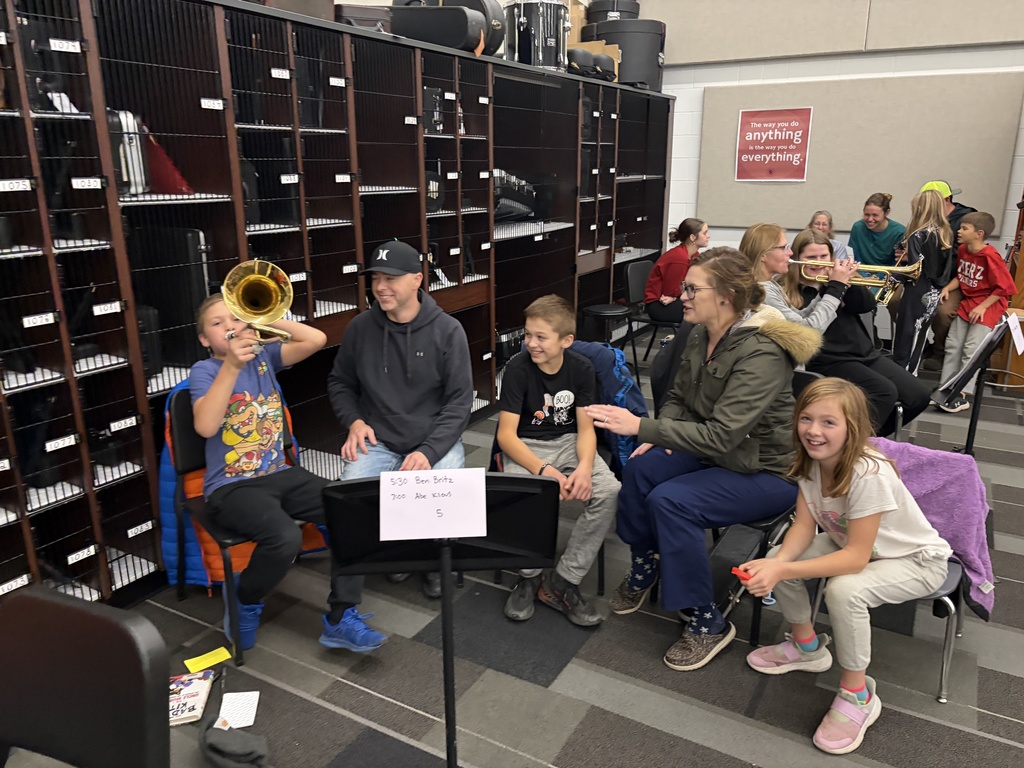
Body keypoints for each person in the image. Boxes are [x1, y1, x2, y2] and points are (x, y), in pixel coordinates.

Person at [584, 247, 821, 671]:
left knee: (671, 501)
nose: (682, 295)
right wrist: (660, 436)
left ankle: (705, 620)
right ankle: (648, 561)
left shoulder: (763, 352)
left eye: (692, 288)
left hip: (765, 470)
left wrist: (643, 428)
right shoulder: (701, 331)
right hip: (715, 451)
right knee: (639, 469)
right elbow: (677, 397)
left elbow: (722, 434)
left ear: (726, 295)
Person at [741, 378, 951, 756]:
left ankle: (857, 695)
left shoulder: (867, 473)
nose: (813, 431)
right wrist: (776, 566)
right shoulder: (810, 461)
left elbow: (854, 559)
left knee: (843, 591)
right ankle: (807, 648)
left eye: (828, 422)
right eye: (806, 418)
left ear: (852, 428)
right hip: (856, 546)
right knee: (777, 557)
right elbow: (804, 527)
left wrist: (781, 573)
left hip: (915, 561)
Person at [190, 294, 387, 653]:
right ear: (204, 340)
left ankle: (341, 617)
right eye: (218, 324)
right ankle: (245, 601)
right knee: (285, 538)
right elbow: (205, 426)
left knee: (353, 511)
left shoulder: (263, 357)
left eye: (236, 319)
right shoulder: (204, 372)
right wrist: (231, 365)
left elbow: (316, 340)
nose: (230, 327)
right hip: (231, 486)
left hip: (280, 473)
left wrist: (263, 315)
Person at [327, 241, 473, 598]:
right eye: (376, 277)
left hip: (432, 439)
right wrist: (355, 422)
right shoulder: (360, 328)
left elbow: (459, 402)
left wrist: (429, 451)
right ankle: (358, 591)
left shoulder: (448, 331)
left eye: (391, 277)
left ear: (417, 280)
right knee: (348, 499)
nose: (380, 286)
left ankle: (434, 559)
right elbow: (340, 383)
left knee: (443, 498)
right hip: (378, 440)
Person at [497, 295, 621, 626]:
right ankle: (529, 575)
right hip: (527, 445)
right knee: (527, 493)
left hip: (569, 443)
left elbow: (585, 429)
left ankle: (563, 580)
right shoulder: (517, 369)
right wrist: (545, 471)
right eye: (528, 335)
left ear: (566, 340)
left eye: (541, 337)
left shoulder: (581, 369)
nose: (531, 344)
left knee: (608, 490)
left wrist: (583, 467)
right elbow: (506, 436)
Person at [785, 233, 931, 437]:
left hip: (864, 354)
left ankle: (866, 438)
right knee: (884, 392)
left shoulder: (836, 280)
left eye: (824, 256)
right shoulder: (791, 292)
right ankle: (853, 445)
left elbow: (866, 305)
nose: (819, 262)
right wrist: (833, 291)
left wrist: (848, 282)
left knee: (919, 395)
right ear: (798, 258)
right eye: (811, 257)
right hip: (828, 359)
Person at [937, 211, 1018, 412]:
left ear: (979, 233)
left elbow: (1005, 288)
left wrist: (982, 306)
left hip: (987, 307)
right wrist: (948, 287)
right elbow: (962, 276)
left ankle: (962, 392)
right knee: (953, 344)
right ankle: (946, 387)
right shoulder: (964, 250)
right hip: (969, 304)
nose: (959, 231)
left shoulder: (991, 256)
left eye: (965, 228)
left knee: (971, 350)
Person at [743, 224, 858, 334]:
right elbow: (807, 331)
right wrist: (836, 289)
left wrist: (826, 289)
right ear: (763, 255)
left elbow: (800, 317)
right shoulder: (763, 290)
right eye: (784, 248)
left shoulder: (769, 284)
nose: (790, 253)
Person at [891, 189, 956, 372]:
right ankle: (911, 373)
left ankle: (902, 375)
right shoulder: (945, 232)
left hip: (916, 290)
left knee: (906, 334)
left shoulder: (918, 235)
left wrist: (895, 274)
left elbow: (914, 270)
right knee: (920, 334)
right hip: (933, 290)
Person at [918, 181, 977, 370]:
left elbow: (969, 259)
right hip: (926, 276)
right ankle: (920, 344)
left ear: (947, 200)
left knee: (943, 312)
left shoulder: (966, 220)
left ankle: (939, 350)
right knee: (896, 302)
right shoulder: (925, 217)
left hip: (954, 279)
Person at [643, 218, 709, 323]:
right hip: (659, 306)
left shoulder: (694, 255)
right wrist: (675, 297)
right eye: (705, 233)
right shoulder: (679, 258)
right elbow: (670, 291)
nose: (708, 236)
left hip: (674, 300)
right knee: (704, 311)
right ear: (693, 237)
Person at [847, 193, 905, 268]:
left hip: (887, 274)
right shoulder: (858, 227)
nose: (870, 219)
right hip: (860, 272)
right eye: (867, 215)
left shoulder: (899, 232)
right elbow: (854, 256)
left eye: (875, 215)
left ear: (887, 213)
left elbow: (897, 262)